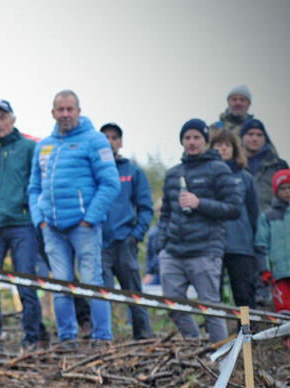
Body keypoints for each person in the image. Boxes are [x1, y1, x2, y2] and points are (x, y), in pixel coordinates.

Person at [27, 90, 120, 346]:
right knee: (60, 285)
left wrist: (90, 218)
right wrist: (40, 220)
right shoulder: (44, 145)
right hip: (51, 227)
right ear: (53, 113)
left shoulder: (95, 141)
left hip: (84, 226)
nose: (65, 114)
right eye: (61, 109)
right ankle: (67, 339)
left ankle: (102, 338)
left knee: (92, 282)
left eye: (70, 109)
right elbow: (33, 187)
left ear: (79, 111)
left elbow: (111, 183)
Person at [158, 119, 243, 342]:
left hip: (205, 251)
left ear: (205, 141)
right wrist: (162, 246)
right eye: (187, 138)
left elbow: (235, 208)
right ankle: (195, 345)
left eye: (197, 137)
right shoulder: (173, 174)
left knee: (211, 308)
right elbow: (165, 213)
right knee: (172, 304)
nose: (192, 142)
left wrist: (199, 203)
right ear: (182, 141)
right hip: (173, 252)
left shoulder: (219, 169)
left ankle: (221, 355)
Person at [0, 99, 44, 351]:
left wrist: (26, 206)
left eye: (2, 118)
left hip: (22, 225)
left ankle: (33, 338)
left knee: (25, 281)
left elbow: (38, 182)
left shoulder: (28, 148)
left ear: (12, 120)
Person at [98, 122, 154, 339]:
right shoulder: (93, 170)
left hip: (124, 241)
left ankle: (144, 338)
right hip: (98, 242)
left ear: (120, 142)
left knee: (134, 294)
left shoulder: (132, 172)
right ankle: (103, 338)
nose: (110, 142)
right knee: (101, 294)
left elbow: (146, 208)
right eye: (105, 138)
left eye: (114, 138)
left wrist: (135, 236)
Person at [209, 127, 260, 311]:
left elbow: (254, 212)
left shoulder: (245, 178)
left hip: (241, 245)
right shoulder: (206, 176)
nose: (223, 149)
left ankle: (245, 328)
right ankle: (216, 329)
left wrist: (254, 242)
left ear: (235, 149)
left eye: (227, 145)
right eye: (218, 145)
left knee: (244, 295)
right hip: (212, 244)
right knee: (212, 294)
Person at [256, 169, 290, 330]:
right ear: (276, 191)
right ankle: (288, 343)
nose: (287, 192)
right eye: (282, 188)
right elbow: (261, 245)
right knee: (284, 316)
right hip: (280, 275)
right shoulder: (268, 217)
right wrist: (265, 270)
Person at [241, 119, 289, 215]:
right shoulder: (232, 165)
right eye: (250, 134)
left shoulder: (279, 166)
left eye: (259, 135)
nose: (255, 138)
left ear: (265, 138)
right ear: (242, 137)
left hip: (270, 220)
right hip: (240, 221)